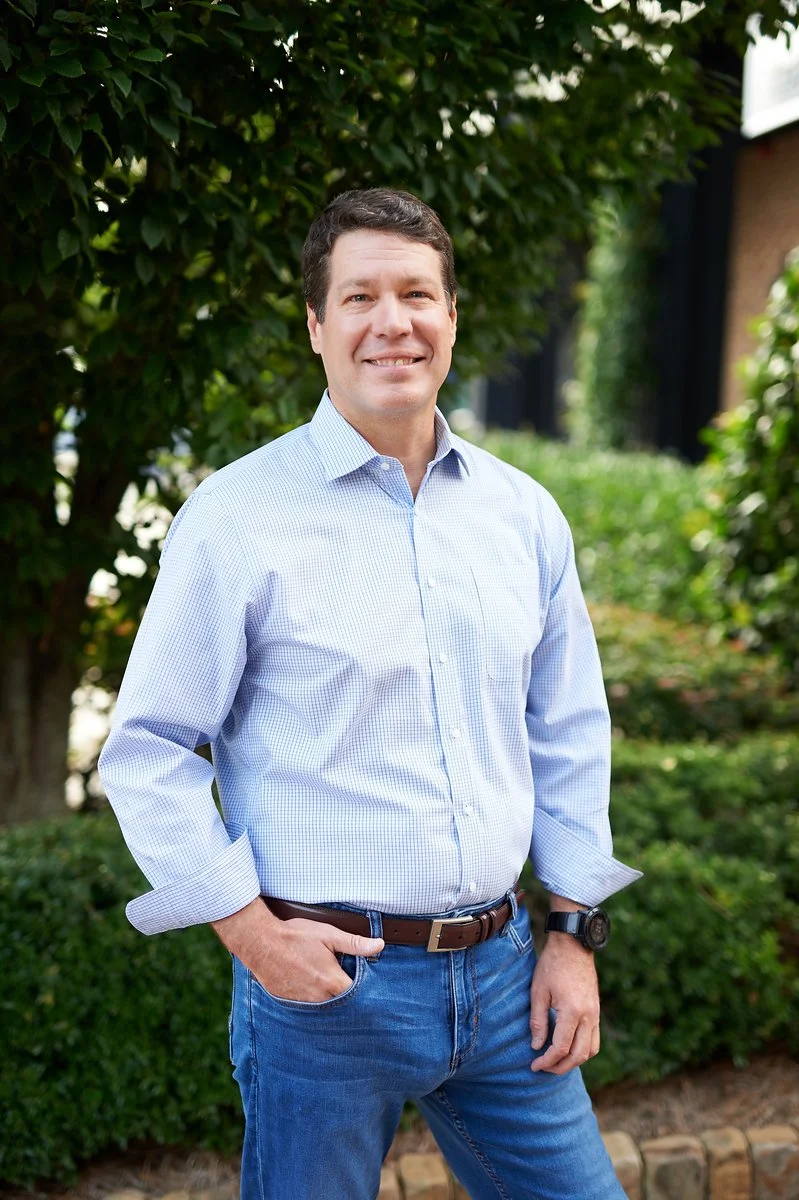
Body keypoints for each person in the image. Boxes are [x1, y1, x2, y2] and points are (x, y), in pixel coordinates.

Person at [99, 187, 642, 1200]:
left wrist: (574, 936)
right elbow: (148, 750)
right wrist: (251, 934)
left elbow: (567, 732)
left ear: (451, 317)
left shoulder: (523, 516)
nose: (393, 322)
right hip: (328, 994)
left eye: (416, 294)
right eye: (359, 297)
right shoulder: (236, 517)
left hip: (504, 976)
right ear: (316, 325)